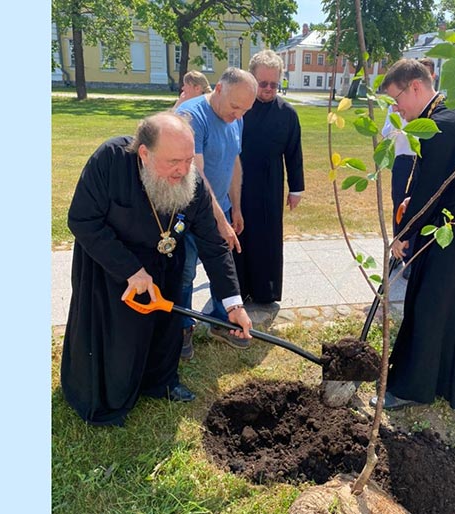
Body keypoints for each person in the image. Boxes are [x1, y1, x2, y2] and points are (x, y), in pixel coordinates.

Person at [61, 112, 253, 426]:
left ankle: (161, 382)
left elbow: (213, 245)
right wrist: (131, 271)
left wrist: (233, 305)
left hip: (164, 263)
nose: (183, 170)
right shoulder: (109, 160)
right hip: (110, 265)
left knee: (165, 330)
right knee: (118, 339)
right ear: (144, 154)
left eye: (189, 160)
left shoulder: (189, 181)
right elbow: (82, 220)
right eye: (174, 161)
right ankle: (108, 400)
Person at [371, 58, 455, 410]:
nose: (396, 109)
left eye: (397, 100)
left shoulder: (439, 126)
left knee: (431, 301)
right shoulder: (454, 116)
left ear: (416, 86)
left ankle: (412, 387)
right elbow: (443, 183)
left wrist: (403, 235)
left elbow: (429, 191)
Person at [175, 67, 257, 357]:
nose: (238, 116)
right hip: (189, 213)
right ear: (218, 89)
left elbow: (234, 162)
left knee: (222, 268)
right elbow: (194, 174)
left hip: (220, 206)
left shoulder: (237, 118)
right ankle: (183, 327)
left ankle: (221, 320)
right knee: (185, 272)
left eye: (245, 110)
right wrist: (219, 220)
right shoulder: (192, 115)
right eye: (235, 107)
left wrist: (234, 206)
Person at [234, 50, 304, 304]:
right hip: (238, 184)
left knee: (268, 239)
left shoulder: (287, 113)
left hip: (271, 184)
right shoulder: (239, 109)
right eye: (263, 83)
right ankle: (238, 291)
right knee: (239, 236)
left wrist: (296, 189)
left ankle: (266, 291)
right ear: (251, 80)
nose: (268, 89)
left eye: (274, 84)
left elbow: (294, 153)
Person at [382, 57, 438, 280]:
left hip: (421, 158)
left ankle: (413, 257)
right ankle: (398, 251)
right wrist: (401, 119)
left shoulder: (437, 111)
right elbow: (387, 132)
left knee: (417, 208)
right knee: (400, 205)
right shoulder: (396, 107)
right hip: (403, 159)